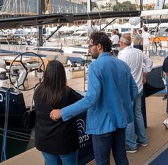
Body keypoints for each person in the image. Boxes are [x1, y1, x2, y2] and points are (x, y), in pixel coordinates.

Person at [50, 32, 138, 165]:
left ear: (99, 46)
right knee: (121, 158)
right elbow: (134, 90)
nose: (88, 49)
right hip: (121, 119)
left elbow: (91, 98)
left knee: (102, 161)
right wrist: (120, 104)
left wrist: (62, 112)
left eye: (90, 45)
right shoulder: (123, 65)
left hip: (102, 124)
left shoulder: (95, 67)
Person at [34, 60, 82, 165]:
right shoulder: (67, 93)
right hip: (64, 142)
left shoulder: (38, 91)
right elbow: (83, 103)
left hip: (44, 140)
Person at [118, 33, 153, 153]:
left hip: (128, 89)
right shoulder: (138, 52)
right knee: (138, 113)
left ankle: (131, 144)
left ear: (121, 43)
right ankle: (143, 139)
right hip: (139, 87)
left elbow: (120, 74)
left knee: (129, 116)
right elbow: (149, 63)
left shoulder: (122, 55)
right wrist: (144, 74)